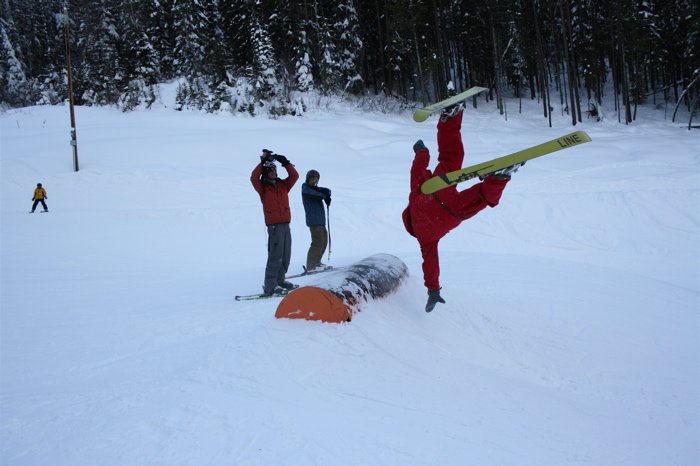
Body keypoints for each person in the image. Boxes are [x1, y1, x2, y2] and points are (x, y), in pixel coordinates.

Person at [402, 104, 522, 312]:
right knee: (450, 157)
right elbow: (417, 169)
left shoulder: (425, 240)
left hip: (450, 214)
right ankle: (450, 119)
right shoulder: (413, 196)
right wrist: (421, 151)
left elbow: (430, 265)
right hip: (433, 191)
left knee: (479, 199)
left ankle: (498, 178)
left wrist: (433, 290)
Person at [251, 149, 299, 296]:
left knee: (286, 255)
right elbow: (253, 177)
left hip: (285, 225)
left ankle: (280, 280)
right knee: (275, 256)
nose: (273, 172)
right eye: (270, 171)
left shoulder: (283, 185)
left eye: (274, 170)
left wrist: (285, 162)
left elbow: (295, 176)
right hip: (274, 227)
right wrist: (262, 162)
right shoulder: (263, 189)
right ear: (265, 173)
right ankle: (270, 286)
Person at [301, 169, 331, 273]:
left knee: (324, 242)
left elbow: (324, 191)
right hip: (314, 221)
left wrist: (326, 192)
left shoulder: (315, 189)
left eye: (315, 179)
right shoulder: (305, 188)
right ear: (308, 179)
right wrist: (324, 194)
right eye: (312, 178)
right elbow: (315, 193)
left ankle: (317, 262)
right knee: (317, 243)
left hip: (321, 221)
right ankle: (311, 265)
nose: (313, 181)